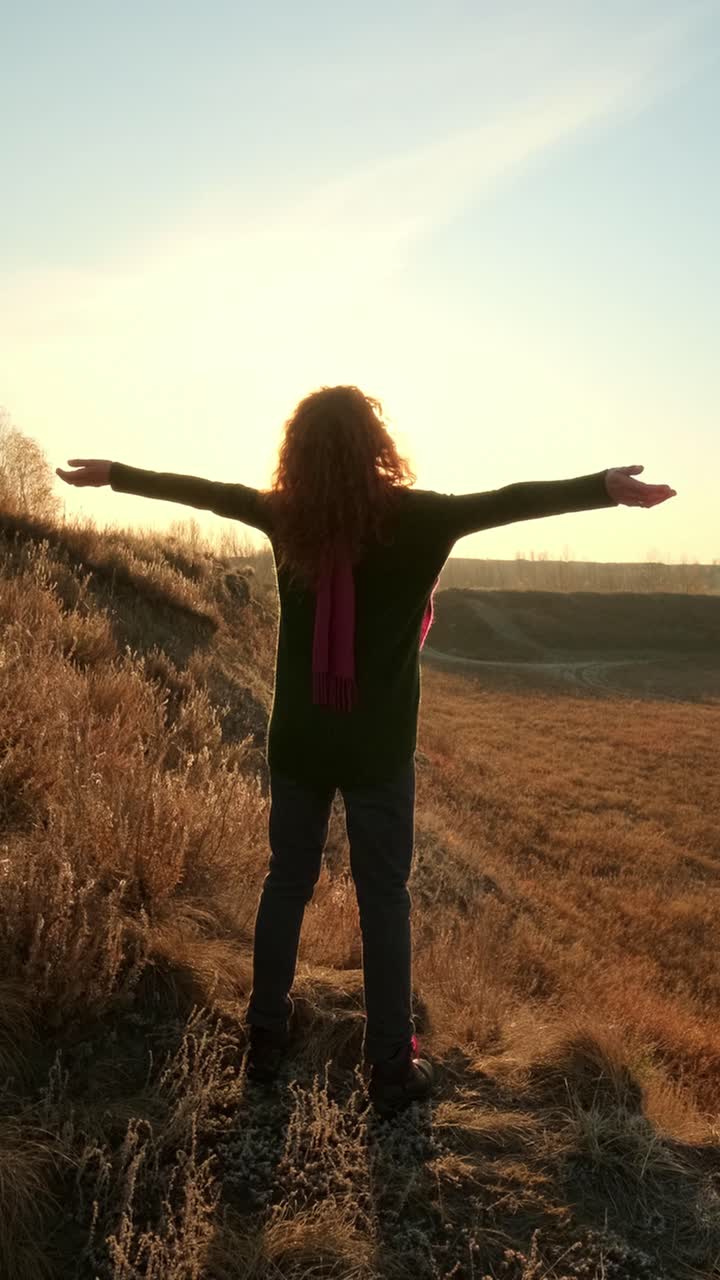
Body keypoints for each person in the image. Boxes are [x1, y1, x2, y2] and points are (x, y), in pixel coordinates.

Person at [57, 385, 676, 1117]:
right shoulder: (422, 518)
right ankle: (390, 1067)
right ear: (376, 445)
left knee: (286, 883)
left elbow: (207, 493)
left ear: (298, 452)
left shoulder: (289, 517)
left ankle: (264, 1039)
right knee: (385, 899)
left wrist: (115, 475)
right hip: (379, 748)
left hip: (301, 739)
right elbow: (512, 500)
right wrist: (604, 488)